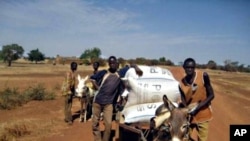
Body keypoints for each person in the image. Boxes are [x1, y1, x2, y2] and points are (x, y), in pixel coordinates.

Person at [179, 58, 214, 141]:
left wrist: (197, 108)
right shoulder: (182, 83)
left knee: (202, 139)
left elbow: (212, 95)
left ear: (195, 67)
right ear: (184, 67)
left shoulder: (203, 76)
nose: (189, 69)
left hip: (203, 115)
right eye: (187, 67)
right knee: (184, 138)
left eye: (192, 67)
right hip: (189, 117)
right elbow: (184, 101)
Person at [90, 56, 125, 141]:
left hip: (108, 104)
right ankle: (98, 139)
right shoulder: (104, 72)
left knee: (108, 125)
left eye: (114, 63)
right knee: (95, 124)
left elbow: (121, 91)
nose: (112, 65)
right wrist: (98, 88)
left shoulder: (119, 76)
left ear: (116, 63)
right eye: (110, 63)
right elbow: (92, 78)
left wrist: (123, 100)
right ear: (109, 64)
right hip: (97, 102)